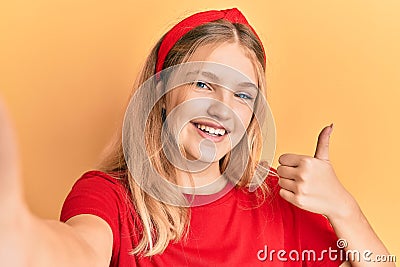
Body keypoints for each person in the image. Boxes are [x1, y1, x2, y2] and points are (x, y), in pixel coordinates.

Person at [0, 7, 394, 267]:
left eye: (242, 95)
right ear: (162, 93)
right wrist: (20, 234)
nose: (223, 109)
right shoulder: (110, 198)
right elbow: (78, 251)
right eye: (204, 84)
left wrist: (344, 208)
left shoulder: (275, 199)